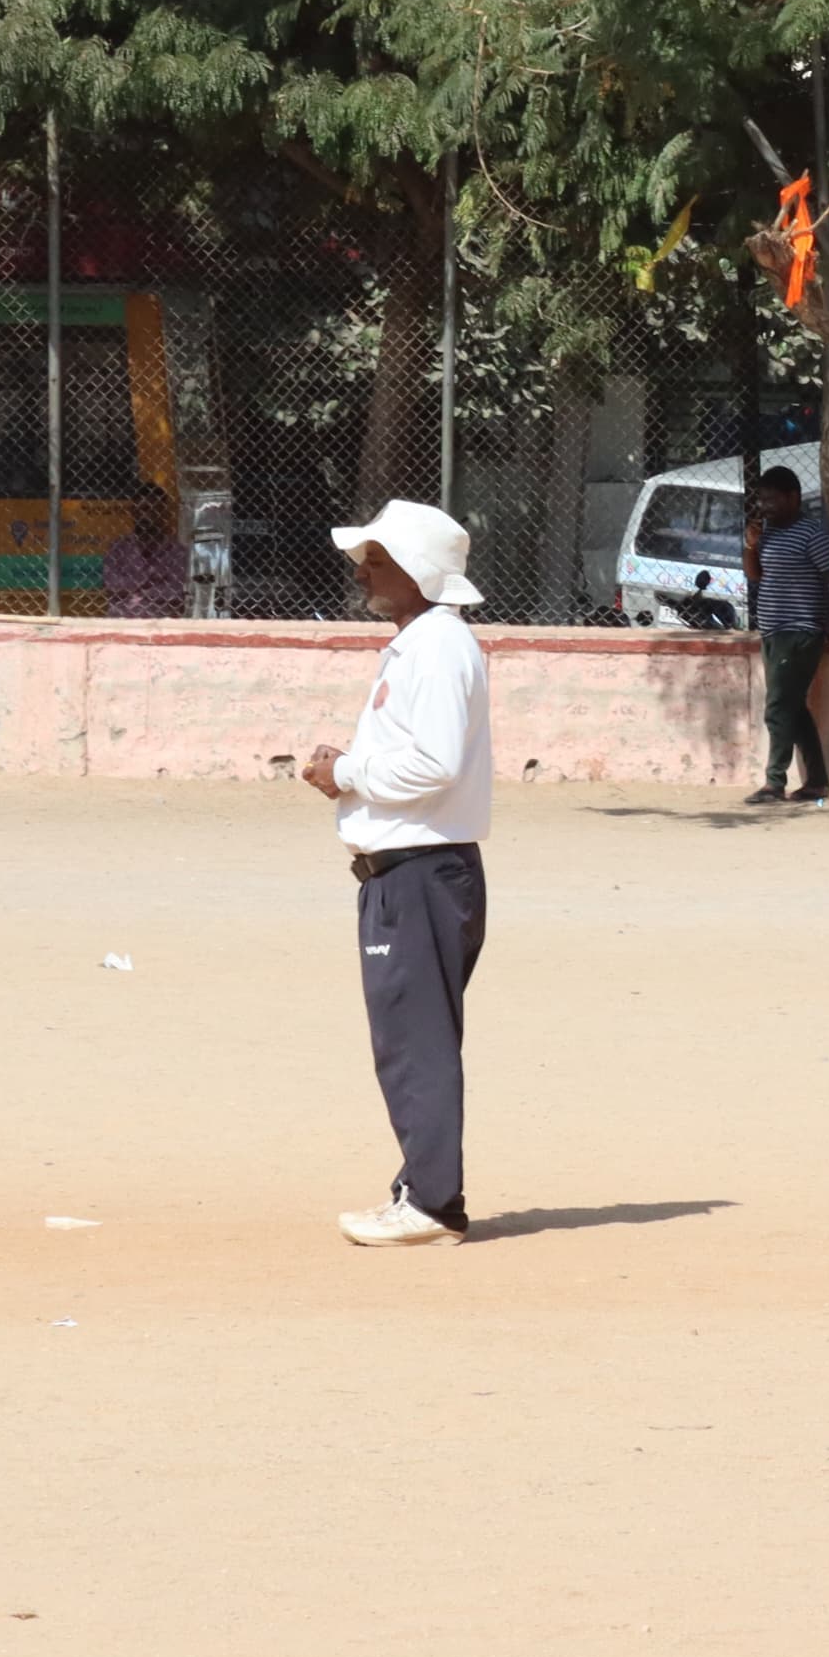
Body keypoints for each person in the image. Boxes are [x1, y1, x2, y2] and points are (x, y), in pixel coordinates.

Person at [305, 499, 494, 1249]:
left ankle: (432, 1201)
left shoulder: (440, 645)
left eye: (377, 560)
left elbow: (434, 762)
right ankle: (424, 1190)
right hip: (408, 871)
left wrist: (344, 770)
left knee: (416, 1039)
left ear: (418, 571)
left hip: (420, 872)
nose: (363, 572)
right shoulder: (421, 645)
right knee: (409, 1035)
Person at [747, 467, 829, 803]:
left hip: (799, 632)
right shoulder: (767, 533)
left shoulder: (811, 534)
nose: (765, 505)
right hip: (772, 631)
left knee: (777, 707)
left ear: (793, 498)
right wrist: (750, 546)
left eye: (772, 499)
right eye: (762, 499)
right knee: (794, 708)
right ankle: (817, 782)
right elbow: (755, 576)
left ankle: (774, 782)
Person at [99, 485, 190, 618]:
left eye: (151, 510)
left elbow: (177, 591)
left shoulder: (177, 551)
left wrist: (137, 593)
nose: (144, 515)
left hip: (161, 621)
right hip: (121, 620)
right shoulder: (119, 547)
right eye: (139, 510)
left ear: (163, 512)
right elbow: (111, 584)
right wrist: (148, 579)